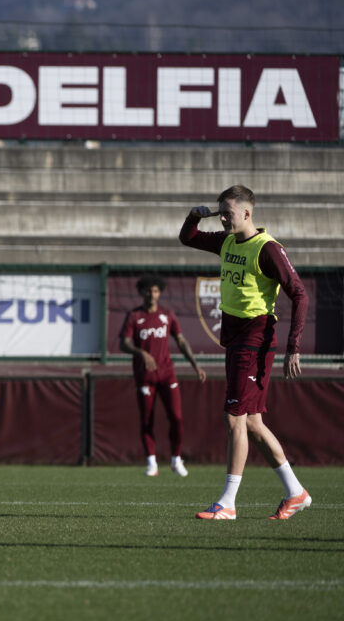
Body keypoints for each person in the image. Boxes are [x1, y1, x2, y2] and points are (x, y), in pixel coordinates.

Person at [180, 184, 310, 521]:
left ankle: (227, 502)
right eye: (220, 212)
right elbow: (188, 237)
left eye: (228, 212)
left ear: (247, 213)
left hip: (256, 338)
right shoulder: (226, 242)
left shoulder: (267, 249)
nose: (222, 218)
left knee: (234, 417)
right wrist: (196, 215)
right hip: (236, 338)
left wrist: (293, 345)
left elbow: (299, 294)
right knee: (251, 422)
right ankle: (295, 493)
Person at [119, 274, 206, 478]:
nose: (152, 294)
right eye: (148, 290)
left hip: (167, 374)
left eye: (156, 290)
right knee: (147, 419)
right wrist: (141, 353)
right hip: (145, 376)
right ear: (142, 292)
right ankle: (151, 462)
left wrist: (196, 365)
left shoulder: (167, 315)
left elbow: (181, 341)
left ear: (160, 292)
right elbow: (124, 343)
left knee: (176, 417)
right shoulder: (134, 316)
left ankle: (176, 459)